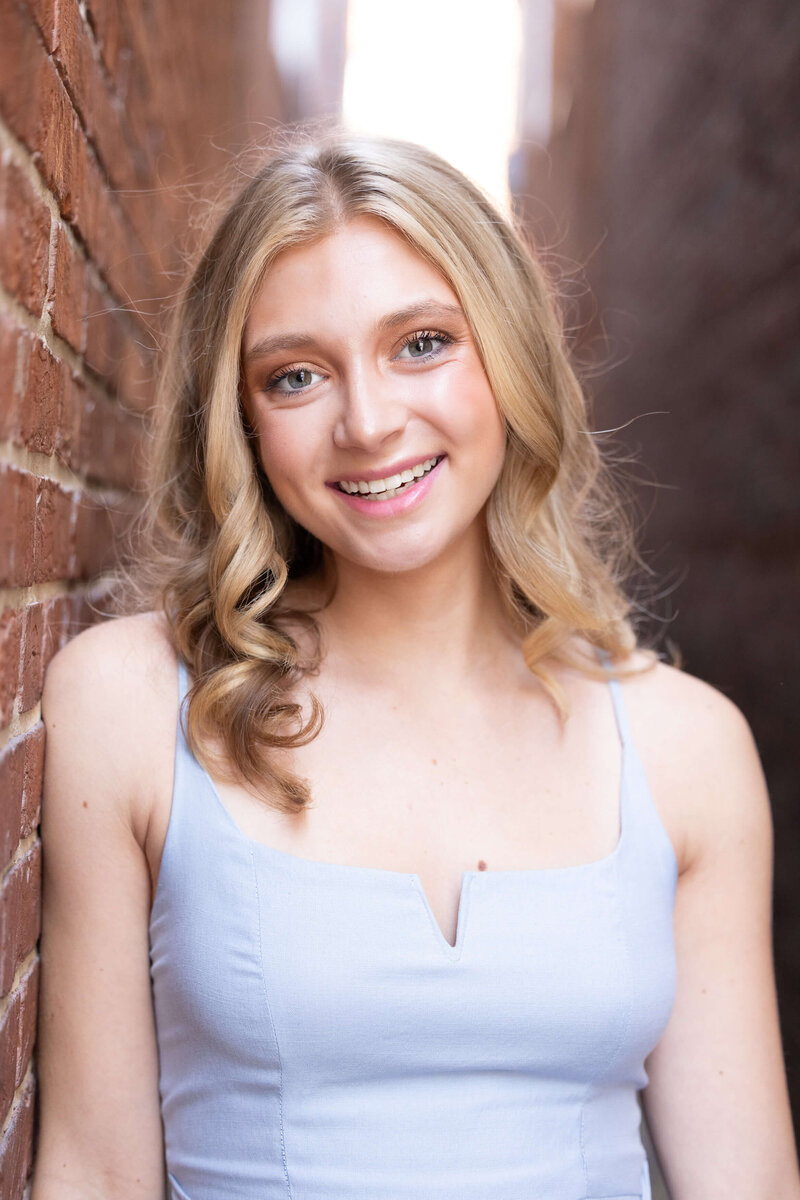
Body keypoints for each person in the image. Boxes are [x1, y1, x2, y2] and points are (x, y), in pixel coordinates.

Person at [32, 132, 798, 1200]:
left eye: (422, 344)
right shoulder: (129, 705)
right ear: (243, 423)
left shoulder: (684, 747)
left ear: (510, 356)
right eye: (294, 375)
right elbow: (95, 1175)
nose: (369, 421)